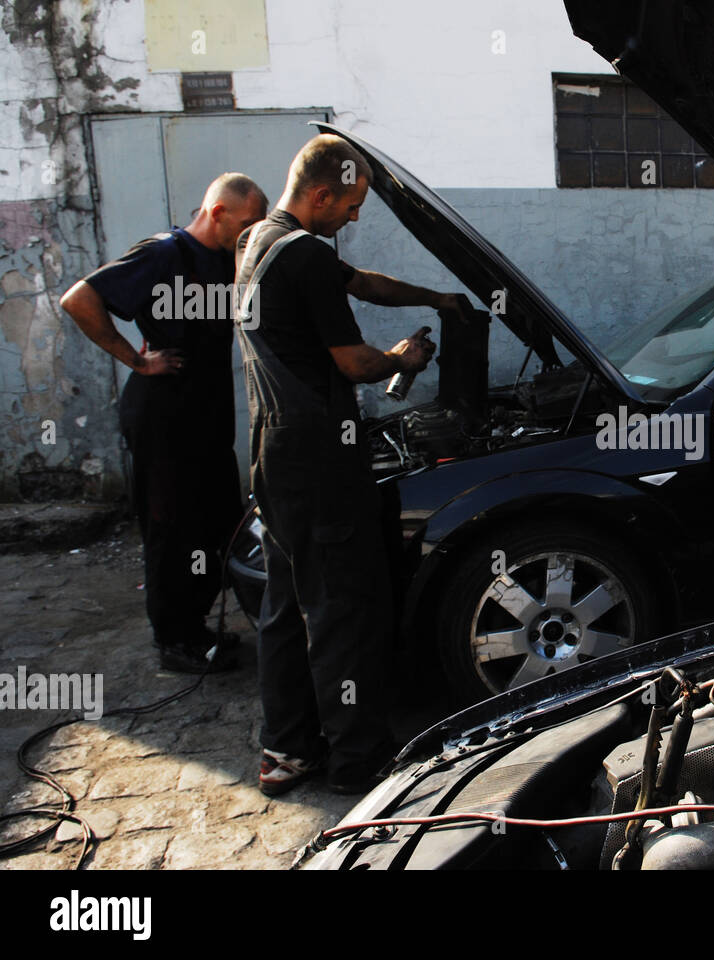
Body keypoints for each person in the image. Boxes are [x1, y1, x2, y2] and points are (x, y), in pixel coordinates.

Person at [234, 134, 458, 796]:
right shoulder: (302, 252)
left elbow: (362, 284)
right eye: (352, 206)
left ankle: (288, 749)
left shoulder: (259, 244)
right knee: (341, 607)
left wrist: (436, 298)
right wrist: (402, 361)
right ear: (323, 194)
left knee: (285, 603)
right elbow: (354, 362)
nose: (354, 219)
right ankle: (358, 758)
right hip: (317, 457)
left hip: (271, 450)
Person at [61, 173, 268, 672]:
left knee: (218, 520)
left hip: (207, 417)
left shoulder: (224, 258)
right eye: (245, 223)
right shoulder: (161, 254)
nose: (251, 233)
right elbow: (78, 300)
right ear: (217, 211)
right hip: (162, 415)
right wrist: (136, 359)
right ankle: (174, 641)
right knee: (171, 529)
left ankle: (196, 625)